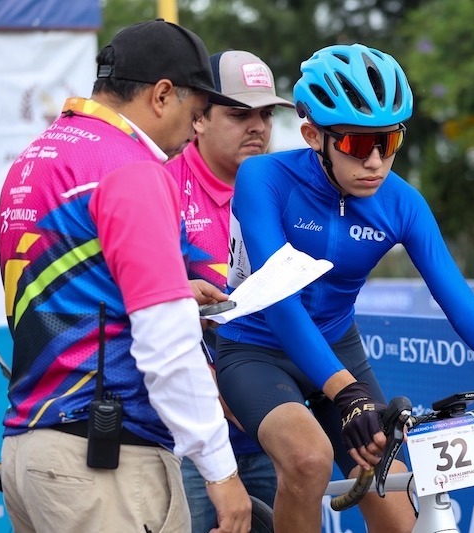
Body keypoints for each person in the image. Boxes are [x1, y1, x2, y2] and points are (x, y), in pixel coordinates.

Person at [213, 43, 474, 533]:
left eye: (388, 142)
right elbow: (280, 301)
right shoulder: (263, 177)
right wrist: (348, 393)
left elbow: (459, 302)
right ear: (312, 135)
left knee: (396, 506)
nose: (375, 162)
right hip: (257, 347)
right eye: (356, 144)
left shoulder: (402, 203)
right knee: (308, 459)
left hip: (337, 347)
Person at [0, 20, 252, 533]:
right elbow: (167, 343)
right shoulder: (132, 168)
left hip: (29, 452)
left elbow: (75, 282)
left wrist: (174, 289)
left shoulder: (38, 155)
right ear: (162, 95)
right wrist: (221, 471)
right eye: (196, 114)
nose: (194, 132)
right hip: (104, 460)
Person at [166, 49, 295, 531]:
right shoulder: (163, 186)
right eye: (240, 114)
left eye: (266, 114)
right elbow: (149, 314)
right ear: (198, 118)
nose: (258, 126)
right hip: (190, 441)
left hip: (270, 429)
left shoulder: (287, 187)